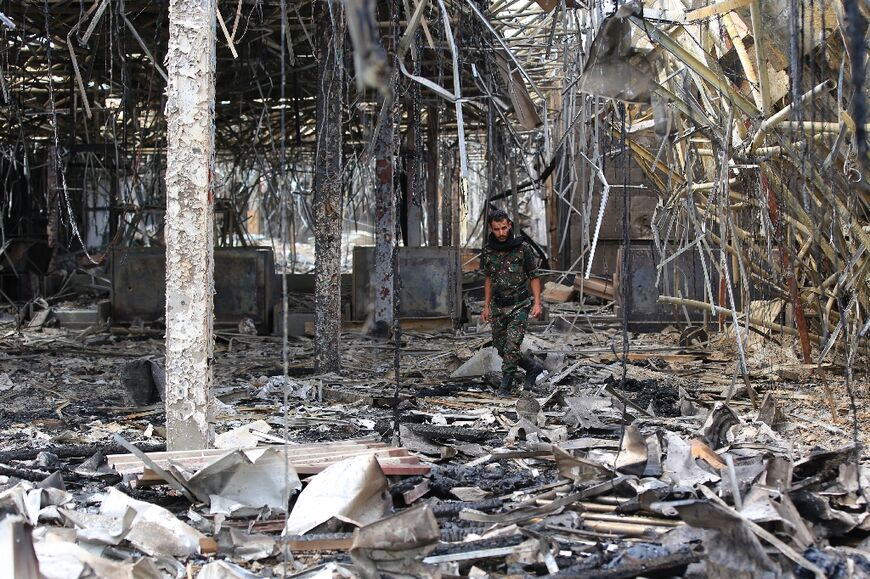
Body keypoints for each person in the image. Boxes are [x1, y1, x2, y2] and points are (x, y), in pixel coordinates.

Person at [480, 210, 545, 395]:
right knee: (501, 348)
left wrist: (537, 303)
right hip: (498, 306)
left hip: (519, 305)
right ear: (490, 229)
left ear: (509, 225)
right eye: (496, 229)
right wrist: (485, 306)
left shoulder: (522, 248)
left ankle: (505, 386)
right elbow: (488, 279)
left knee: (512, 346)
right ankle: (532, 367)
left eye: (503, 228)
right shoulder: (488, 250)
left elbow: (534, 276)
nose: (501, 233)